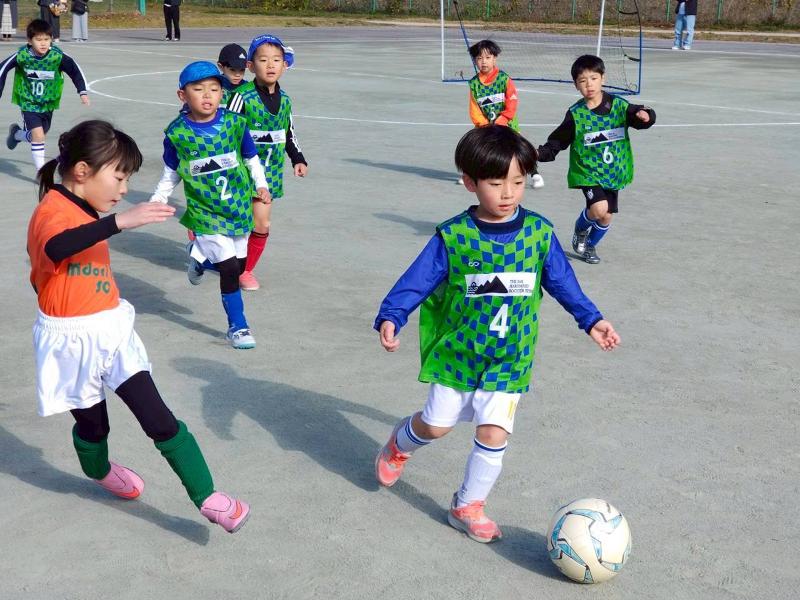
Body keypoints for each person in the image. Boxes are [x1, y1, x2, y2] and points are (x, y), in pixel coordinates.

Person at [374, 125, 621, 544]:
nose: (508, 192)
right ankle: (400, 445)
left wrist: (591, 319)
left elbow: (563, 282)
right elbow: (417, 279)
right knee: (436, 426)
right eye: (495, 182)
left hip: (510, 355)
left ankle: (468, 505)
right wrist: (392, 314)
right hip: (459, 353)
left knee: (493, 433)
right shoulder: (454, 236)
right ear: (470, 182)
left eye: (518, 182)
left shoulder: (539, 234)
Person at [29, 119, 250, 533]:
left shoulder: (86, 205)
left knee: (158, 417)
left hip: (110, 328)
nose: (125, 188)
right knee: (94, 426)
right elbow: (56, 246)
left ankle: (209, 497)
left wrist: (113, 219)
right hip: (69, 340)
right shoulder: (52, 211)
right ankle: (98, 470)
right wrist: (120, 222)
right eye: (119, 176)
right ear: (82, 172)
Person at [149, 61, 269, 349]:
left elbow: (251, 157)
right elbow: (172, 171)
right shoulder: (177, 133)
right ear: (182, 95)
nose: (207, 95)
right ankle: (238, 327)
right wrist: (158, 198)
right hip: (205, 211)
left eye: (214, 89)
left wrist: (261, 184)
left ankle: (198, 255)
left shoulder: (234, 124)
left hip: (237, 206)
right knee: (229, 269)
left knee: (238, 266)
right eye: (199, 89)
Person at [536, 55, 655, 264]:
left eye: (593, 78)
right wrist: (540, 153)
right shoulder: (576, 114)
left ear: (603, 78)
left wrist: (646, 116)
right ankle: (580, 229)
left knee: (606, 216)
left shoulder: (618, 106)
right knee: (599, 209)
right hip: (588, 171)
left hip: (613, 171)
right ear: (576, 85)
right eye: (582, 81)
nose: (589, 84)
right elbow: (558, 141)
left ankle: (589, 245)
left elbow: (638, 114)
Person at [231, 34, 307, 292]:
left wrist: (297, 158)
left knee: (261, 224)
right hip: (240, 171)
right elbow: (228, 131)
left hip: (270, 173)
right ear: (251, 66)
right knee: (236, 222)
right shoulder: (242, 96)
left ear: (285, 65)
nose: (271, 65)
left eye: (277, 60)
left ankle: (245, 270)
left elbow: (288, 132)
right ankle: (204, 245)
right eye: (263, 60)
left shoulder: (285, 100)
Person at [0, 18, 89, 171]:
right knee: (39, 136)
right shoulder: (22, 56)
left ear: (51, 39)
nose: (43, 43)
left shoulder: (57, 56)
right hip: (29, 101)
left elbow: (75, 70)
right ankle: (41, 173)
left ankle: (17, 135)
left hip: (48, 103)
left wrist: (82, 91)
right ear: (29, 40)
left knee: (39, 135)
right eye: (38, 39)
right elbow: (2, 69)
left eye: (46, 39)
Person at [462, 39, 543, 189]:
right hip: (487, 126)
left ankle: (534, 173)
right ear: (474, 61)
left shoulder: (503, 79)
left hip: (508, 123)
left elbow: (512, 101)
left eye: (488, 57)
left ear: (494, 58)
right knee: (482, 150)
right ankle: (473, 175)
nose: (484, 62)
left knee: (519, 149)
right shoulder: (474, 84)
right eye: (479, 58)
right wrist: (484, 125)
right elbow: (474, 108)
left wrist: (504, 118)